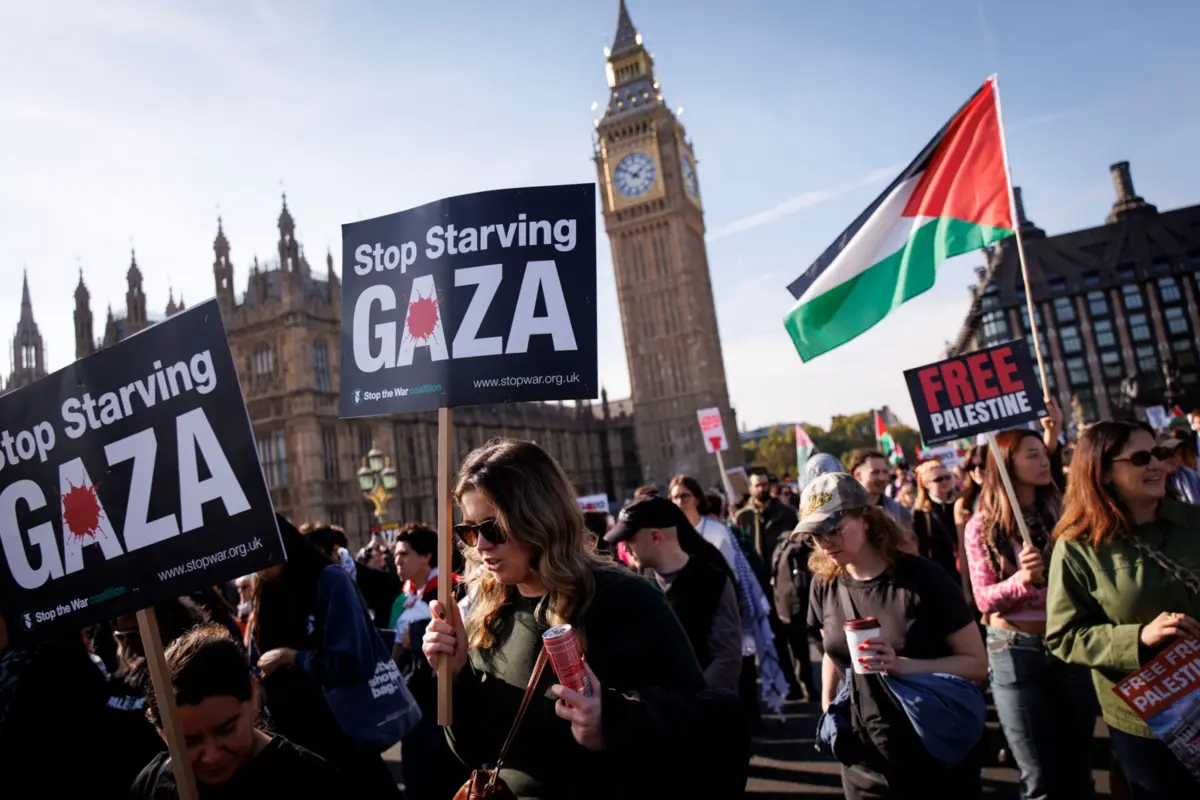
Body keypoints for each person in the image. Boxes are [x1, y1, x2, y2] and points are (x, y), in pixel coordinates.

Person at [422, 438, 749, 799]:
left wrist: (615, 724)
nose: (481, 545)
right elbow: (473, 749)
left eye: (494, 528)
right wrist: (454, 675)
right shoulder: (488, 611)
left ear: (539, 518)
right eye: (469, 531)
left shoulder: (626, 599)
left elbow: (711, 729)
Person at [802, 473, 988, 798]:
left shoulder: (923, 578)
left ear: (866, 517)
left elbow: (976, 665)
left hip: (932, 747)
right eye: (815, 535)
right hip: (863, 759)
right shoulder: (824, 583)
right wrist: (829, 706)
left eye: (834, 529)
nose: (826, 542)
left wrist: (903, 665)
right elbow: (833, 651)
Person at [1047, 421, 1200, 798]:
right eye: (1141, 458)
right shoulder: (1077, 546)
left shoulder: (1192, 520)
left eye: (1159, 454)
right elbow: (1064, 636)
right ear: (1103, 472)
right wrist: (1138, 638)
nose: (1157, 465)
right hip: (1149, 722)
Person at [964, 429, 1096, 799]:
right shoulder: (981, 526)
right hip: (1013, 649)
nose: (1043, 461)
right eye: (1032, 455)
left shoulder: (1066, 514)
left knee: (1079, 766)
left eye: (1043, 452)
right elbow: (984, 599)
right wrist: (1020, 580)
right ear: (1007, 464)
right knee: (1038, 775)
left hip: (1069, 642)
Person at [250, 517, 407, 799]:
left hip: (340, 738)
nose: (261, 565)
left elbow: (357, 662)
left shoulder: (329, 579)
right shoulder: (265, 589)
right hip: (293, 741)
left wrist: (294, 658)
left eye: (266, 552)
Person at [130, 624, 342, 798]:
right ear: (162, 734)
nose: (212, 757)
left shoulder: (312, 781)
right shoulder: (152, 787)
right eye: (189, 741)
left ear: (253, 697)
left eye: (226, 730)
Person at [606, 495, 744, 691]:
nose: (625, 548)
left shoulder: (712, 581)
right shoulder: (636, 583)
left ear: (656, 537)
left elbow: (727, 658)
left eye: (631, 539)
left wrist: (692, 700)